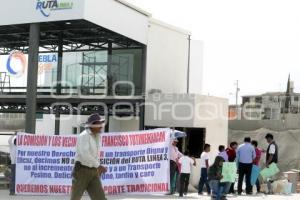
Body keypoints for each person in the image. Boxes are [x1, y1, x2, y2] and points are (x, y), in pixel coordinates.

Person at [70, 113, 107, 200]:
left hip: (93, 171)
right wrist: (98, 165)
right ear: (92, 125)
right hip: (81, 171)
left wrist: (97, 167)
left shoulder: (97, 136)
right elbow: (85, 154)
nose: (101, 126)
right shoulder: (84, 136)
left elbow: (95, 155)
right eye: (99, 124)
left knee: (100, 198)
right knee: (75, 198)